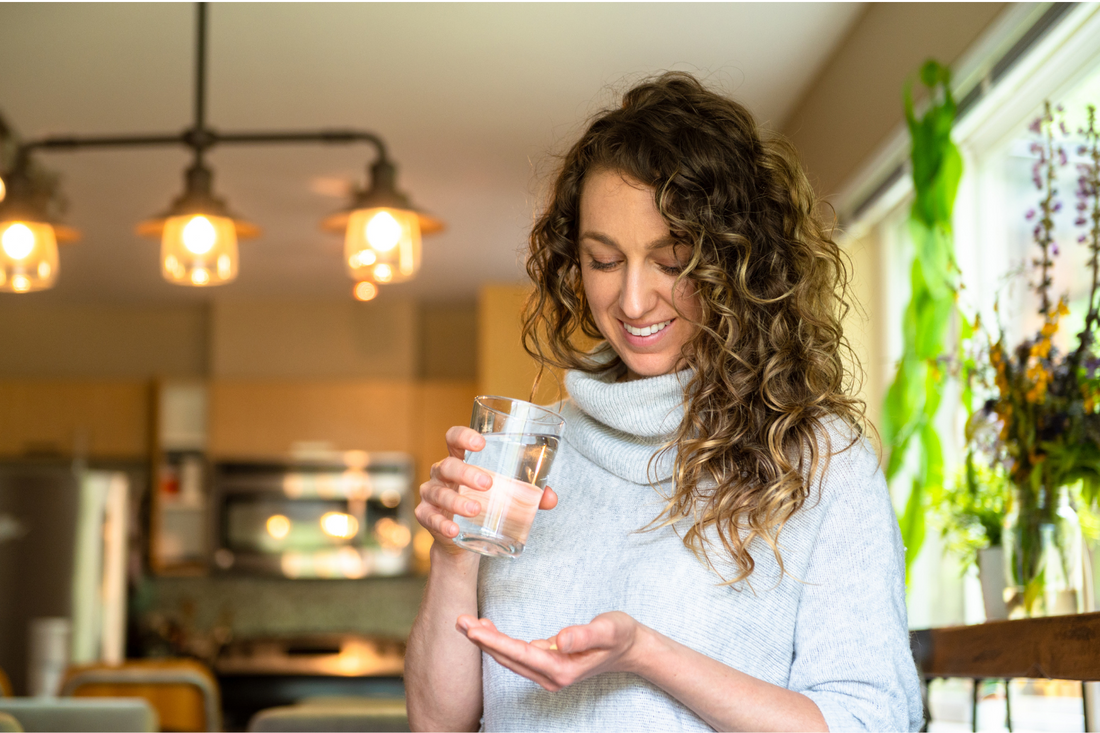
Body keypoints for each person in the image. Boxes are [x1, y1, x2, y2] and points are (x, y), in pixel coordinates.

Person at [405, 72, 923, 732]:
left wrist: (647, 654)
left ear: (737, 261)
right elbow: (436, 722)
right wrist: (453, 559)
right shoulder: (533, 458)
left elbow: (869, 720)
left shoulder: (820, 461)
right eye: (603, 259)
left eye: (672, 259)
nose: (632, 300)